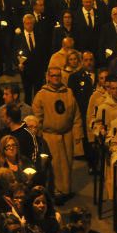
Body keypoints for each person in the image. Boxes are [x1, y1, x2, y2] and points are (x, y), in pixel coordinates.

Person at [32, 66, 84, 204]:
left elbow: (76, 115)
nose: (56, 78)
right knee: (54, 166)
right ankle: (55, 192)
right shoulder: (41, 95)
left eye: (58, 76)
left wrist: (78, 135)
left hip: (67, 134)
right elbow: (37, 119)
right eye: (53, 76)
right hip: (50, 136)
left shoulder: (68, 92)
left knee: (67, 165)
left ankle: (66, 190)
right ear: (48, 77)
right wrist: (39, 139)